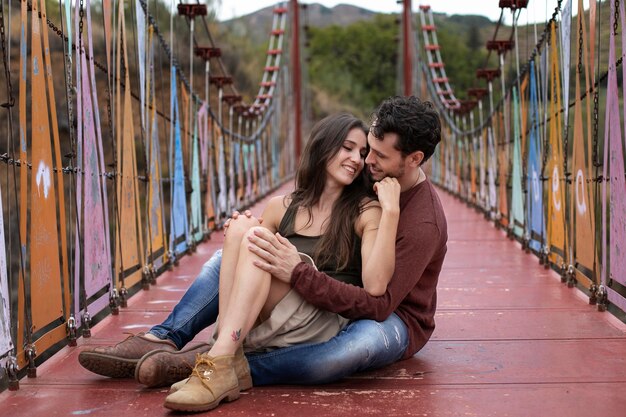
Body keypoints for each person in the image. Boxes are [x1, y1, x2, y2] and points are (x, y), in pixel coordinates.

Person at [79, 95, 447, 396]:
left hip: (394, 317)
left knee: (351, 350)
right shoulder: (369, 171)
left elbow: (378, 303)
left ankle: (218, 363)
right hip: (321, 285)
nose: (365, 161)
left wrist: (298, 272)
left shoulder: (421, 222)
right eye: (367, 148)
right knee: (233, 252)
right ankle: (164, 337)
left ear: (413, 160)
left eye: (378, 156)